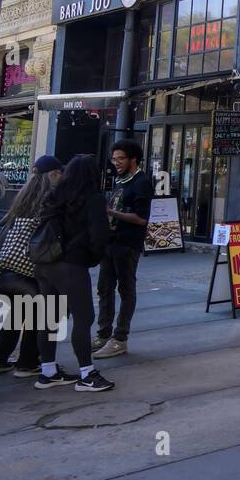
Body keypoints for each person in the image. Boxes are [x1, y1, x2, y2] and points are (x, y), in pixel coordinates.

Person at [32, 154, 114, 392]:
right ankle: (87, 374)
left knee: (49, 318)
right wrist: (91, 258)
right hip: (72, 263)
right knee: (84, 317)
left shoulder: (54, 195)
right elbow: (99, 236)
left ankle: (48, 371)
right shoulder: (93, 199)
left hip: (45, 262)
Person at [0, 156, 63, 378]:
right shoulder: (50, 200)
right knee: (38, 314)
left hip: (11, 267)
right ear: (54, 174)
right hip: (33, 268)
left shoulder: (24, 198)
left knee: (17, 313)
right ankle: (27, 362)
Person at [94, 139, 152, 358]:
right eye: (114, 158)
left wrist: (112, 213)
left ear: (133, 159)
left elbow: (141, 219)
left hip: (127, 244)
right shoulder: (121, 180)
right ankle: (103, 333)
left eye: (120, 159)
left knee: (126, 290)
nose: (115, 163)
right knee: (104, 288)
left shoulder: (141, 182)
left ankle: (120, 338)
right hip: (110, 242)